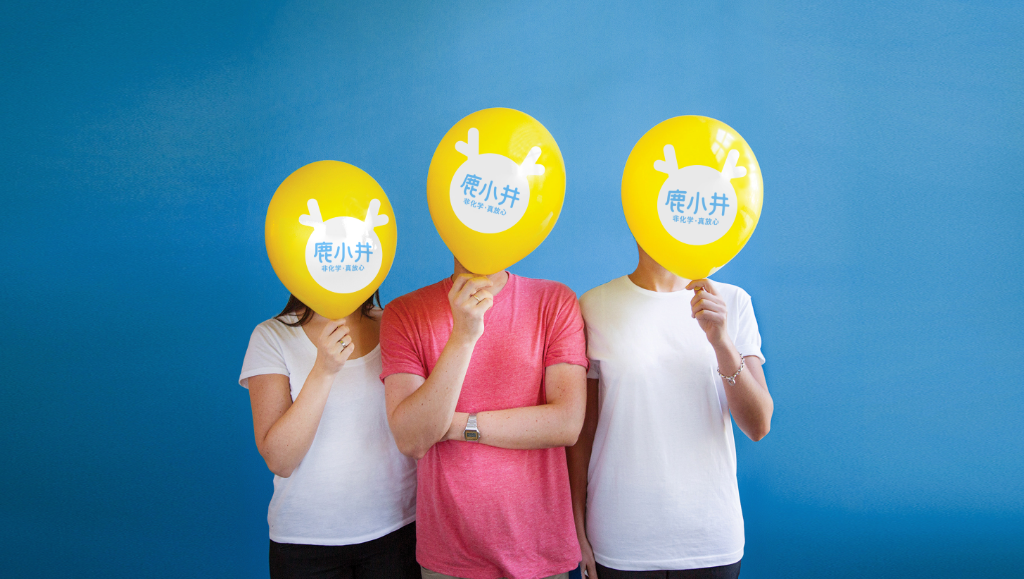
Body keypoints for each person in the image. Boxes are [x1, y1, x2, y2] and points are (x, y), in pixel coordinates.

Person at [569, 246, 773, 579]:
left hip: (710, 537)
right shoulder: (595, 304)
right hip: (620, 538)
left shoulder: (731, 301)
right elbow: (583, 435)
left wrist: (721, 341)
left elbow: (758, 424)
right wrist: (577, 529)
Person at [380, 260, 589, 579]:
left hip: (540, 551)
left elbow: (566, 424)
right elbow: (412, 438)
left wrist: (453, 426)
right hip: (450, 556)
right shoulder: (405, 312)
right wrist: (463, 336)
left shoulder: (554, 301)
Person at [239, 292, 419, 579]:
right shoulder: (271, 336)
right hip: (306, 544)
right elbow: (280, 460)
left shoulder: (394, 324)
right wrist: (323, 370)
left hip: (398, 530)